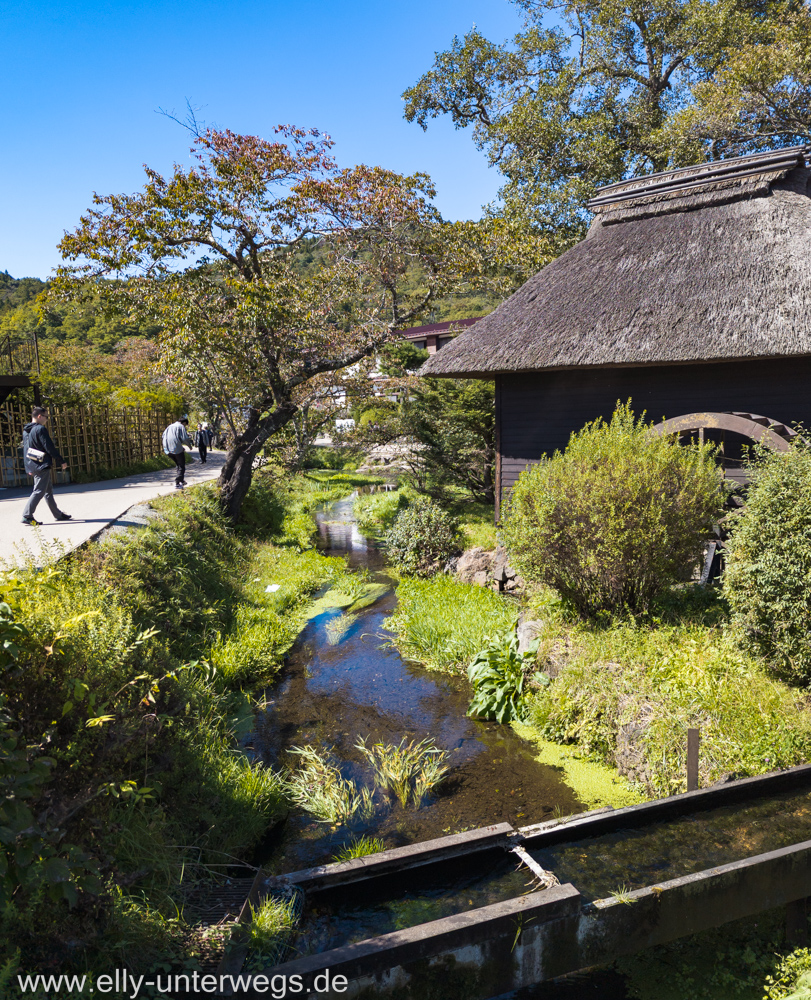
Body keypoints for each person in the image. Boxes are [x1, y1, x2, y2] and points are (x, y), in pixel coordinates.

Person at [21, 406, 72, 526]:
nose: (47, 419)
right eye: (46, 417)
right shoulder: (40, 429)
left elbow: (26, 450)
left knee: (48, 491)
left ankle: (57, 514)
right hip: (41, 464)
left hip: (33, 464)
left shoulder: (26, 430)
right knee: (39, 491)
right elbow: (48, 446)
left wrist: (28, 467)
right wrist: (60, 460)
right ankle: (27, 515)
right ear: (39, 416)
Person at [162, 416, 193, 488]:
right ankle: (177, 482)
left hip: (167, 449)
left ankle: (182, 480)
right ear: (184, 422)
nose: (185, 426)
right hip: (176, 450)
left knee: (178, 465)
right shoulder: (181, 426)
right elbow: (185, 438)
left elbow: (163, 436)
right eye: (185, 424)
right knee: (181, 466)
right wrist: (189, 446)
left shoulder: (169, 426)